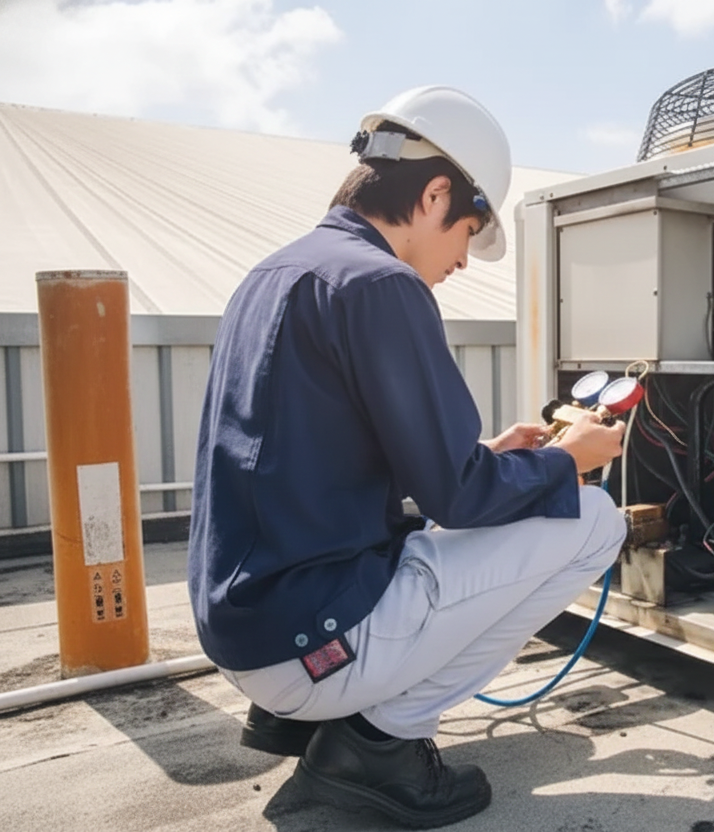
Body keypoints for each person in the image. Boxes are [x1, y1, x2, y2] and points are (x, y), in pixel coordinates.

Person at [187, 85, 627, 829]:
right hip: (308, 644)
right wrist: (570, 458)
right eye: (467, 233)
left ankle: (324, 718)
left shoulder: (276, 273)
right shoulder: (381, 284)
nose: (462, 260)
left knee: (494, 516)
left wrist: (483, 454)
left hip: (248, 630)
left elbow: (307, 453)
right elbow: (460, 500)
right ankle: (380, 742)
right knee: (596, 521)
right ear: (434, 194)